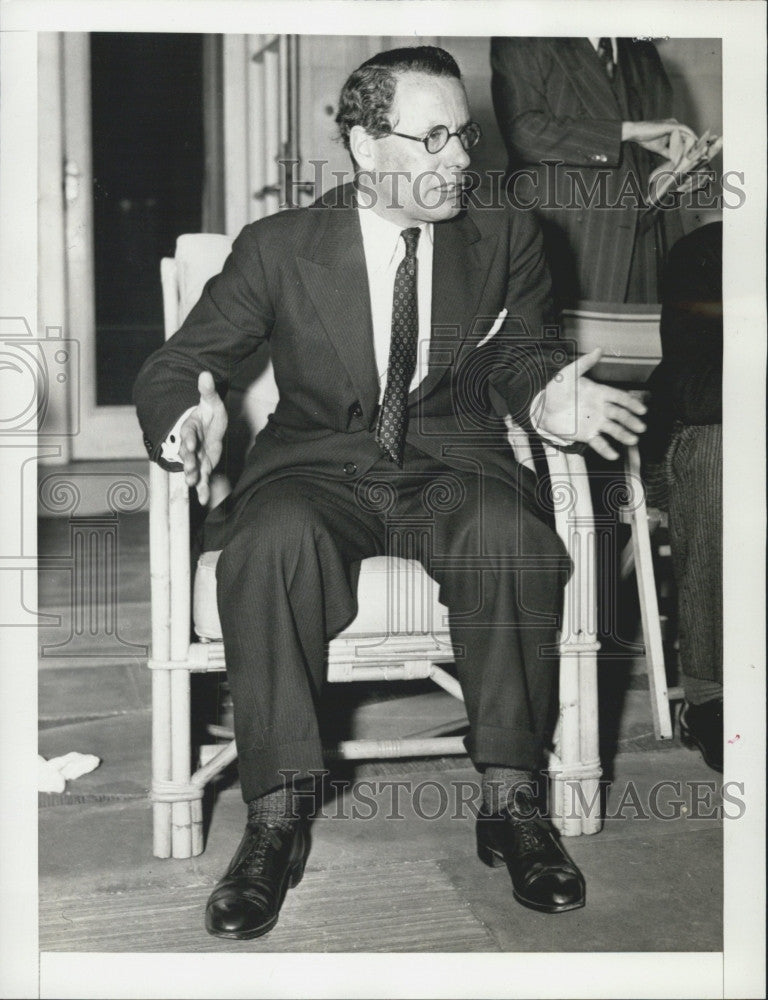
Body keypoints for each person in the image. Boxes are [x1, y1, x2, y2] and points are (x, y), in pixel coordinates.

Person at [134, 46, 648, 940]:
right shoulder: (281, 248)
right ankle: (277, 818)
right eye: (435, 137)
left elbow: (517, 350)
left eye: (465, 135)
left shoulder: (507, 233)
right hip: (319, 468)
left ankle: (511, 802)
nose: (459, 159)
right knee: (268, 544)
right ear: (369, 149)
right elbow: (183, 362)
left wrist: (549, 390)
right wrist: (188, 418)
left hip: (453, 461)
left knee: (514, 539)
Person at [490, 37, 697, 307]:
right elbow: (524, 133)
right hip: (567, 248)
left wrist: (675, 174)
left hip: (646, 248)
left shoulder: (641, 49)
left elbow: (655, 148)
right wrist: (628, 131)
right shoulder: (523, 37)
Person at [645, 220, 723, 771]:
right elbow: (697, 397)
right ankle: (711, 697)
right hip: (693, 444)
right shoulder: (710, 252)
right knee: (725, 450)